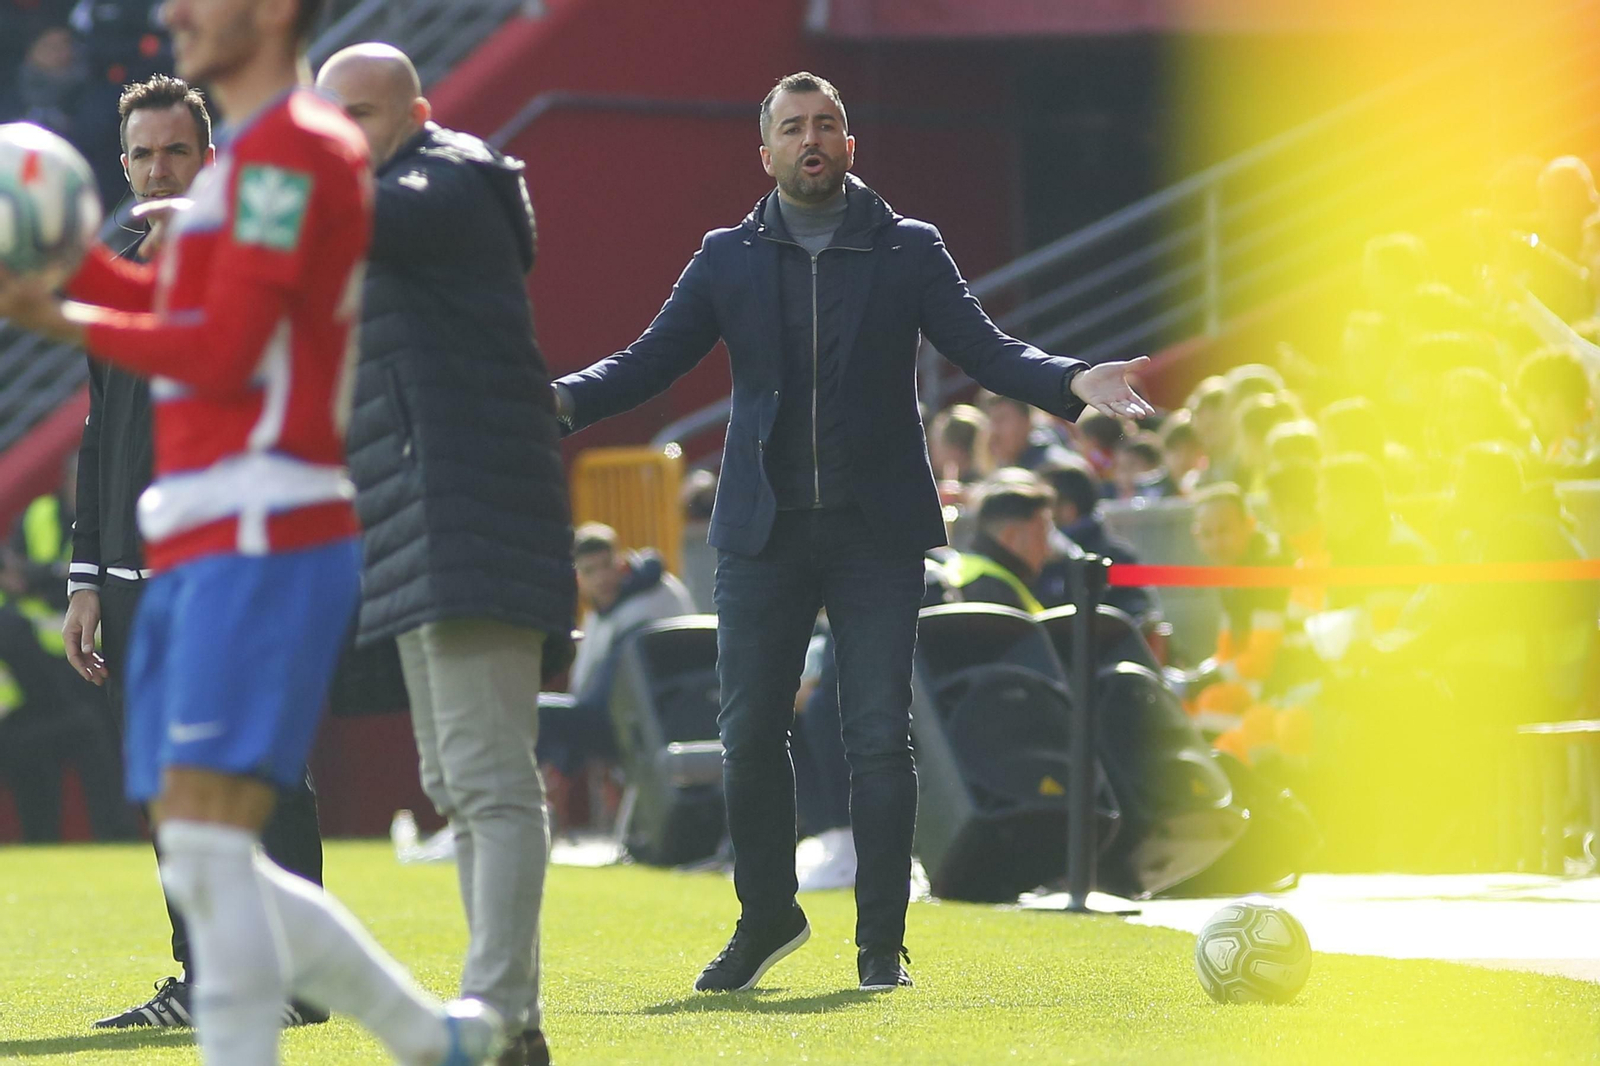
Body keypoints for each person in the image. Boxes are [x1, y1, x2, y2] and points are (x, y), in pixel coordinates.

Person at [551, 70, 1152, 994]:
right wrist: (557, 402)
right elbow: (648, 361)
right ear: (766, 152)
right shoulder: (726, 256)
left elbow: (985, 347)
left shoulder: (909, 248)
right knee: (748, 733)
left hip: (876, 532)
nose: (810, 140)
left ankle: (881, 943)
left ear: (850, 144)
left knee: (878, 738)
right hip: (762, 534)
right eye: (792, 128)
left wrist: (1072, 380)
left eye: (825, 124)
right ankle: (768, 918)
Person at [0, 1, 507, 1063]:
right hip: (192, 543)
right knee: (197, 850)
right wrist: (66, 257)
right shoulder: (240, 183)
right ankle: (438, 1038)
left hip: (269, 533)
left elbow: (223, 351)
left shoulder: (294, 152)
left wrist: (62, 303)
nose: (174, 11)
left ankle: (419, 1035)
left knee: (215, 841)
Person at [51, 71, 330, 1034]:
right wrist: (85, 578)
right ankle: (202, 976)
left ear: (209, 157)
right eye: (142, 154)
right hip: (132, 578)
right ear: (120, 164)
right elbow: (101, 428)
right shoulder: (111, 260)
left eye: (177, 150)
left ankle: (297, 978)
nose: (159, 168)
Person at [316, 41, 575, 1066]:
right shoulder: (380, 200)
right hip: (420, 524)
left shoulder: (451, 178)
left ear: (417, 112)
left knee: (489, 780)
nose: (346, 137)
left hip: (470, 515)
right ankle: (509, 1023)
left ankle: (497, 1013)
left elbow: (369, 215)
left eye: (363, 116)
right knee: (459, 783)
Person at [1034, 460, 1155, 624]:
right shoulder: (1035, 558)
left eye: (1043, 507)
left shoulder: (1117, 558)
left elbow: (1140, 618)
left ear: (1068, 510)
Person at [945, 478, 1055, 614]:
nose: (1048, 551)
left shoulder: (962, 570)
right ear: (1011, 535)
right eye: (1041, 535)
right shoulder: (992, 591)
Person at [977, 391, 1074, 471]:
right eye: (990, 420)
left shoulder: (1055, 468)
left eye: (1001, 419)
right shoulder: (1002, 468)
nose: (994, 430)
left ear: (1026, 421)